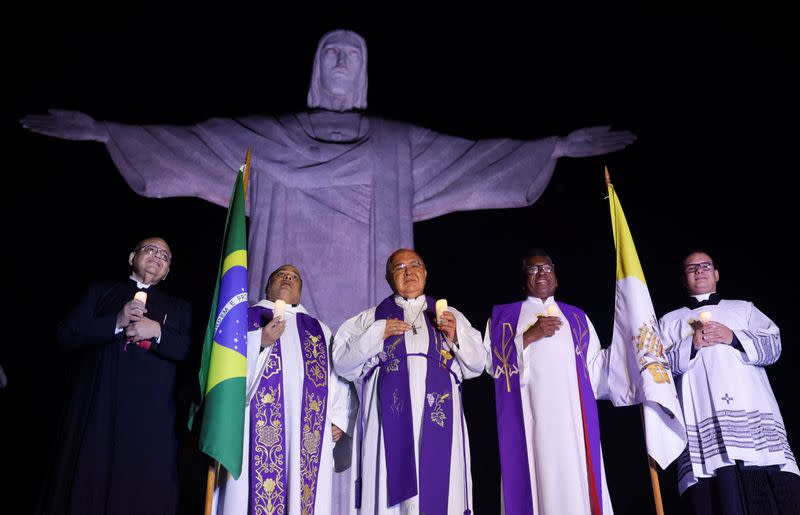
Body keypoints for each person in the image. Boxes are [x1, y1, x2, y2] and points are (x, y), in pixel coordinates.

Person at [20, 29, 635, 331]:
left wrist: (552, 147)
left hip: (370, 313)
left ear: (363, 73)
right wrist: (108, 132)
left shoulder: (396, 144)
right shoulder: (265, 137)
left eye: (353, 55)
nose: (341, 62)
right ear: (317, 69)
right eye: (331, 53)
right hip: (280, 313)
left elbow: (473, 159)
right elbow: (189, 143)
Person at [40, 237, 192, 514]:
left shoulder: (180, 308)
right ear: (132, 257)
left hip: (150, 419)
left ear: (168, 271)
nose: (158, 256)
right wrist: (117, 321)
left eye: (165, 255)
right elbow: (66, 335)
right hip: (98, 407)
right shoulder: (100, 292)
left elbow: (189, 353)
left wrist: (157, 332)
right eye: (151, 249)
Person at [332, 249, 485, 514]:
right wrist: (378, 332)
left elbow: (478, 365)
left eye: (415, 265)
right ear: (389, 278)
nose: (409, 271)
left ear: (425, 273)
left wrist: (456, 335)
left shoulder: (450, 316)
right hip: (386, 426)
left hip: (438, 422)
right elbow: (343, 364)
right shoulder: (370, 318)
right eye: (399, 267)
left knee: (439, 490)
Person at [658, 250, 800, 514]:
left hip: (753, 419)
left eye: (705, 266)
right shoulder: (669, 321)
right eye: (692, 268)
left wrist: (734, 336)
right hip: (703, 420)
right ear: (683, 278)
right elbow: (657, 369)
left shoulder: (743, 309)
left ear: (716, 273)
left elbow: (774, 345)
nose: (699, 271)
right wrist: (691, 344)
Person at [483, 249, 616, 514]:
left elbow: (597, 370)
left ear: (556, 276)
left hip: (573, 423)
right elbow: (491, 365)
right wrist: (529, 336)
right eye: (533, 269)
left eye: (547, 268)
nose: (541, 273)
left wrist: (625, 352)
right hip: (531, 420)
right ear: (524, 280)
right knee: (537, 479)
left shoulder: (578, 317)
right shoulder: (504, 318)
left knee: (575, 479)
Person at [216, 264, 355, 515]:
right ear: (269, 286)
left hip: (307, 433)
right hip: (249, 427)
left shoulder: (320, 330)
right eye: (282, 274)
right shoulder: (245, 318)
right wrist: (260, 341)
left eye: (295, 277)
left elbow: (340, 375)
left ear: (301, 292)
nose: (288, 278)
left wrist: (339, 419)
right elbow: (224, 368)